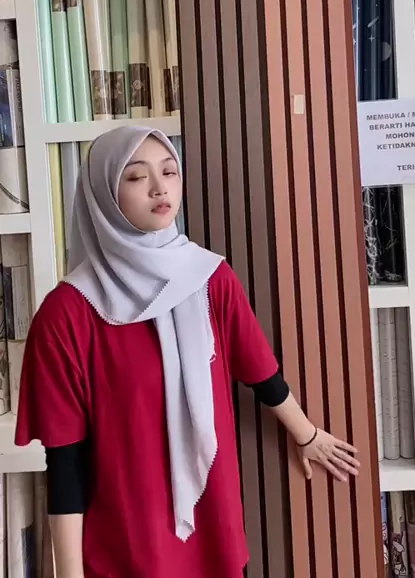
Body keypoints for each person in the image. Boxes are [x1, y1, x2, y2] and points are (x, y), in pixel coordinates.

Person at [16, 126, 359, 578]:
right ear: (103, 195)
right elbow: (65, 461)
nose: (159, 188)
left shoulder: (210, 278)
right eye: (136, 177)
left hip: (213, 532)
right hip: (124, 547)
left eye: (169, 172)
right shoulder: (67, 314)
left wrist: (308, 435)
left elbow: (259, 372)